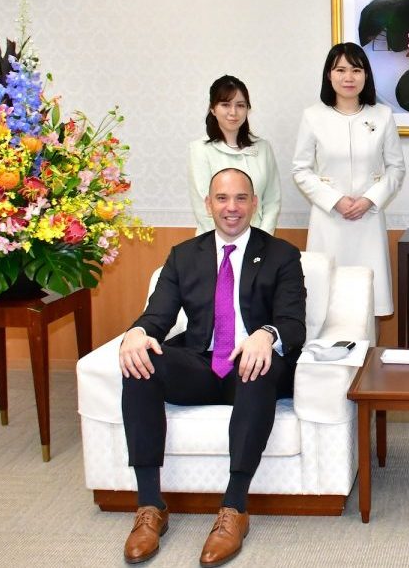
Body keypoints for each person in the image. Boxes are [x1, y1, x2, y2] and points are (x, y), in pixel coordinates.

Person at [118, 167, 306, 567]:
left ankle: (234, 508)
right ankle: (150, 506)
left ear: (254, 204)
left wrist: (266, 334)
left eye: (241, 198)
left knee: (259, 364)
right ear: (208, 204)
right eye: (222, 199)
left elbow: (293, 323)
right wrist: (136, 332)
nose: (231, 208)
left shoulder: (282, 255)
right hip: (201, 363)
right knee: (140, 360)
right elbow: (158, 316)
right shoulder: (184, 255)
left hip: (252, 368)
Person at [291, 42, 405, 325]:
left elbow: (396, 168)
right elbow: (301, 169)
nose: (348, 77)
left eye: (356, 69)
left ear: (366, 75)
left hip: (368, 221)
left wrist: (369, 199)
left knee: (368, 302)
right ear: (329, 76)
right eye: (340, 70)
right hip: (328, 221)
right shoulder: (313, 116)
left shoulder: (382, 115)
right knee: (324, 302)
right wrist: (334, 201)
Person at [188, 75, 281, 235]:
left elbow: (272, 201)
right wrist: (231, 243)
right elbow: (204, 209)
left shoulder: (262, 148)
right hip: (214, 243)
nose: (233, 112)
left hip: (259, 243)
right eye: (225, 105)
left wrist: (261, 240)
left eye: (240, 105)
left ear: (247, 109)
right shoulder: (200, 149)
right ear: (213, 109)